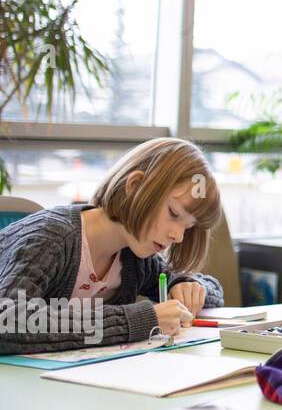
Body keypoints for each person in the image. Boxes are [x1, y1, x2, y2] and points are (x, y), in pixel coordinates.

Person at [0, 138, 225, 354]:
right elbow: (7, 321)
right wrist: (140, 320)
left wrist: (188, 286)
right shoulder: (53, 238)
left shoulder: (136, 257)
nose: (178, 236)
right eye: (173, 213)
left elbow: (214, 290)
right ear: (135, 186)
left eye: (188, 226)